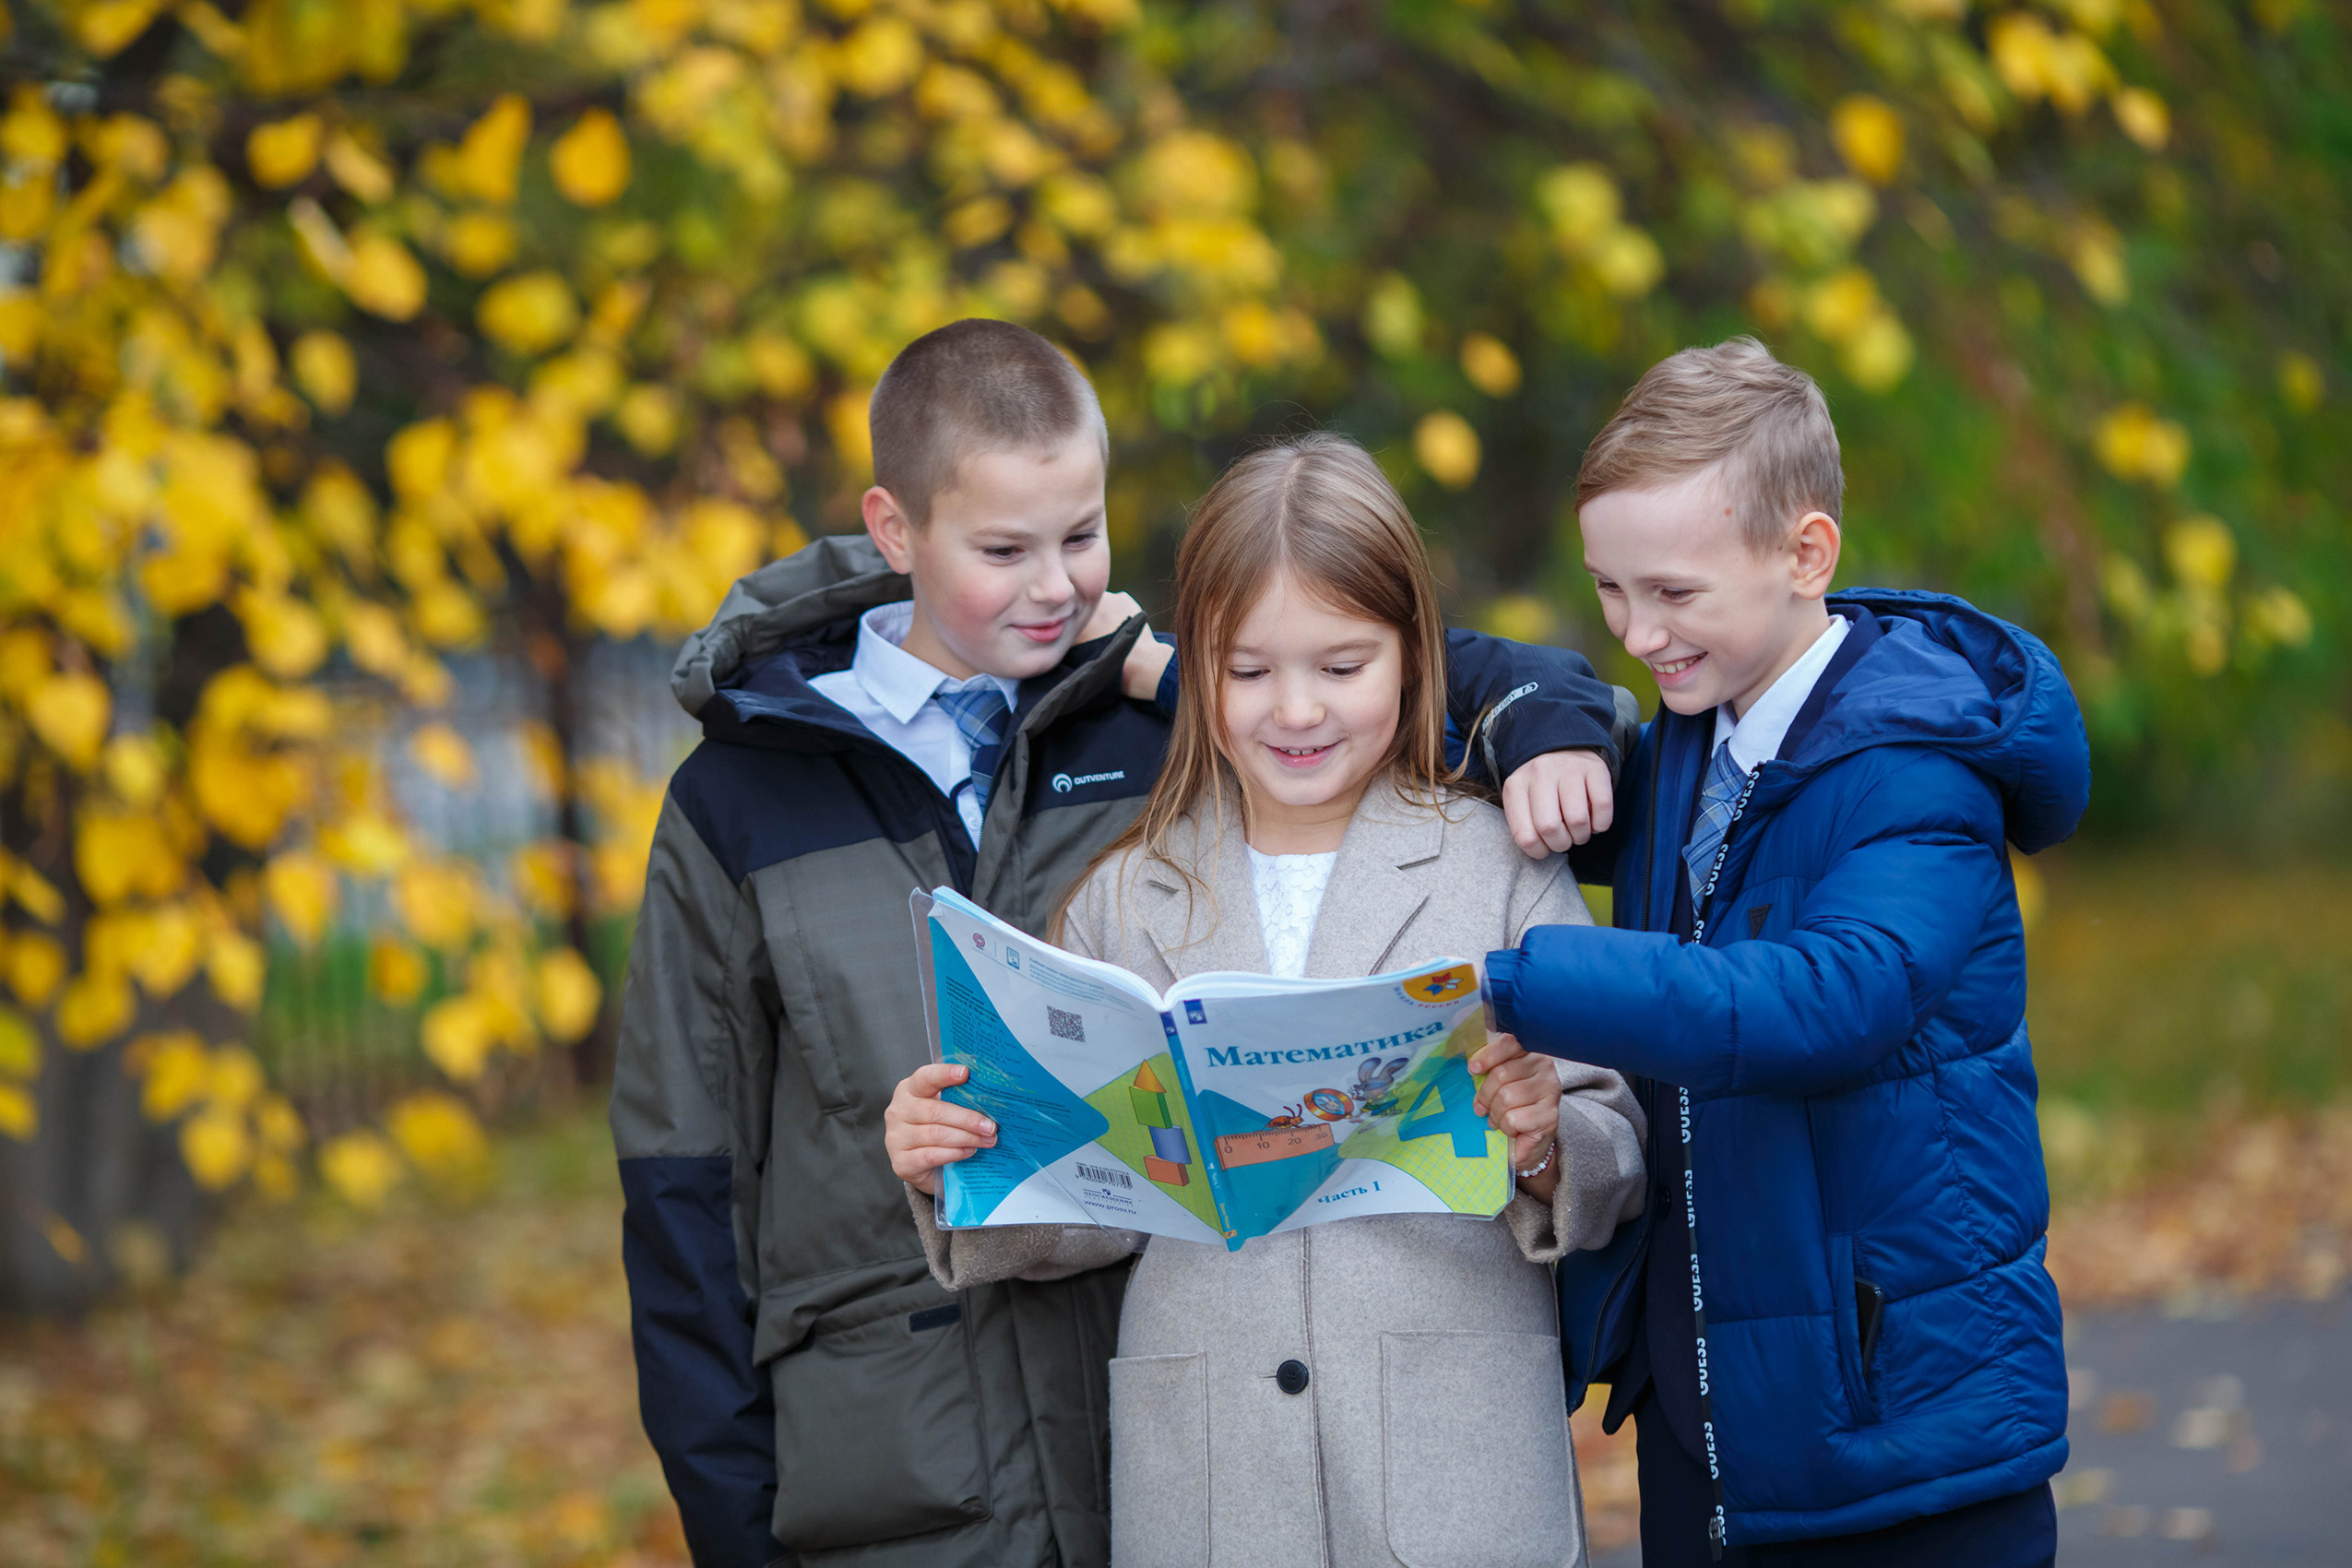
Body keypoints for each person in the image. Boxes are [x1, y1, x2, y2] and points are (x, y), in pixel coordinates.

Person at [611, 319, 1637, 1568]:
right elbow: (687, 1182)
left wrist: (1551, 714)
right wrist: (954, 1161)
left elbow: (1375, 631)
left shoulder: (1169, 724)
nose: (1054, 585)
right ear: (896, 531)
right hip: (1000, 1463)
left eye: (1082, 538)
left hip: (1428, 1469)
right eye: (1003, 548)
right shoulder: (800, 808)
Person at [884, 433, 1649, 1568]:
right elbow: (1084, 1204)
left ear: (1412, 656)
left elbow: (1618, 1143)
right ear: (1197, 668)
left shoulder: (1495, 867)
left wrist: (1546, 1144)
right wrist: (956, 1153)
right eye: (1247, 671)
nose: (1295, 709)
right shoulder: (1126, 896)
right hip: (1211, 1481)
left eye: (1341, 667)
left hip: (1457, 1467)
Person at [1483, 338, 2090, 1566]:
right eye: (1609, 592)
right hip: (1709, 1432)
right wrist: (1540, 718)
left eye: (1672, 593)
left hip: (1900, 1437)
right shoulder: (1682, 746)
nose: (1637, 632)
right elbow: (1429, 674)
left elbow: (1820, 1002)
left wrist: (1503, 978)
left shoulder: (1913, 766)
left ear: (1803, 554)